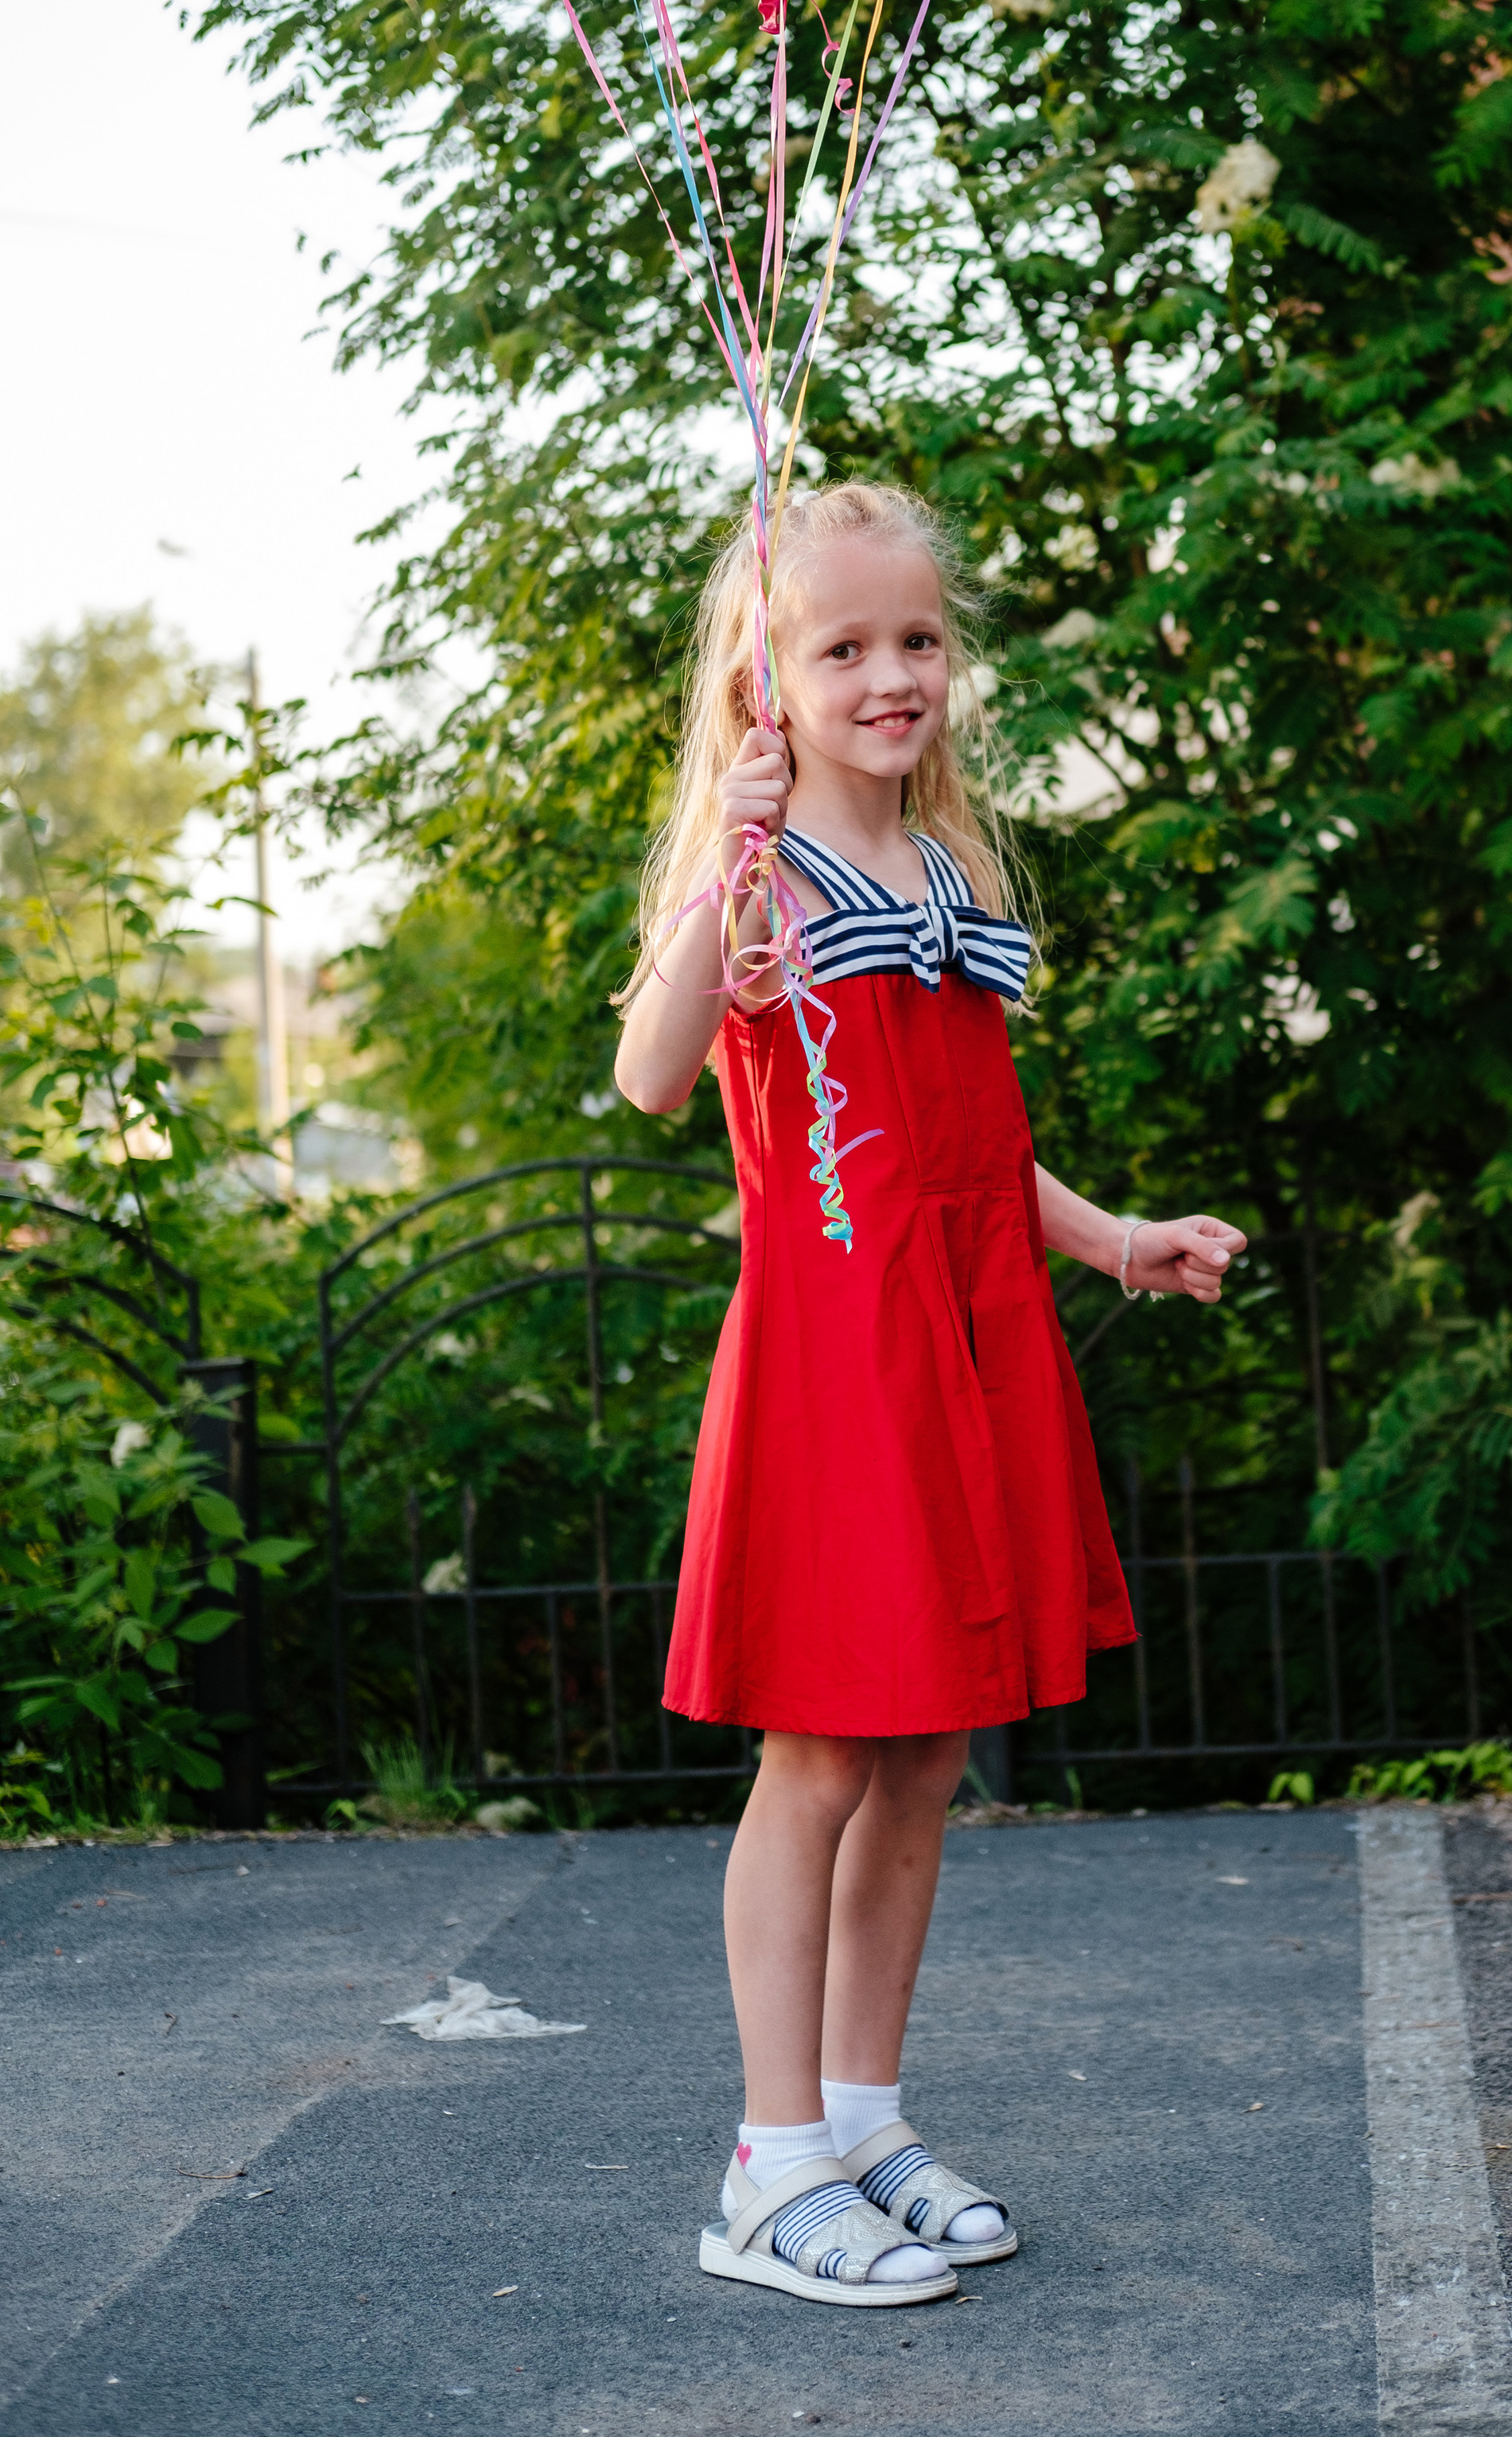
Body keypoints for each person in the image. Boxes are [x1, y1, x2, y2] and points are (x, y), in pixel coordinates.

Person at [614, 480, 1246, 2307]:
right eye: (842, 646)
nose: (890, 674)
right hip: (838, 1367)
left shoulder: (947, 877)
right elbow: (654, 1079)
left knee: (928, 1757)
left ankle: (866, 2118)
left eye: (916, 639)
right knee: (818, 1754)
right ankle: (768, 2160)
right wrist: (718, 883)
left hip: (965, 1343)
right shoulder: (762, 882)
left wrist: (1111, 1238)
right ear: (768, 680)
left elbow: (969, 1158)